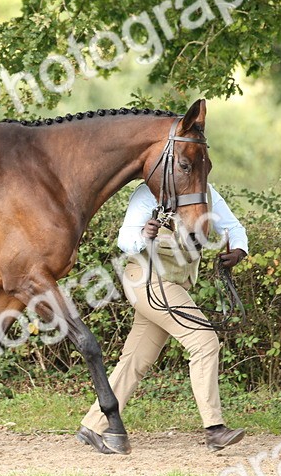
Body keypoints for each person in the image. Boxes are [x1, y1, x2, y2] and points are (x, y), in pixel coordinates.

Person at [76, 182, 249, 453]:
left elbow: (233, 227)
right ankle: (214, 429)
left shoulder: (206, 193)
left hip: (173, 284)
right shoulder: (147, 194)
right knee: (204, 342)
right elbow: (125, 240)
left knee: (136, 359)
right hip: (146, 280)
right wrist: (144, 235)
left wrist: (239, 249)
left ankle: (94, 425)